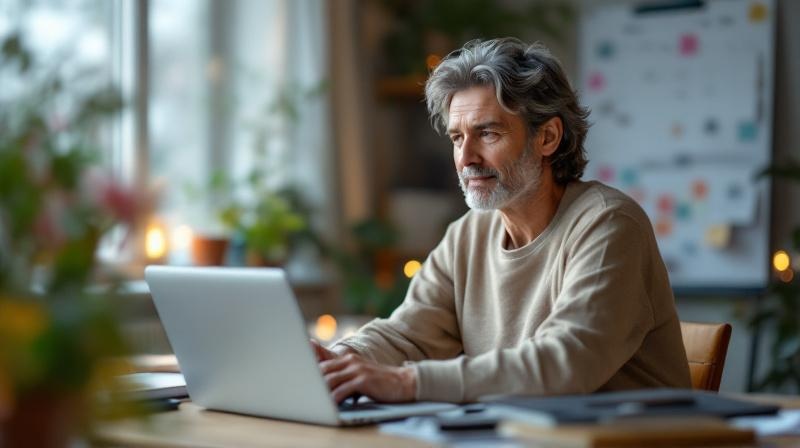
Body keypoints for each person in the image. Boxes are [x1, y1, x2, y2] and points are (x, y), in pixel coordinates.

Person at [312, 37, 691, 404]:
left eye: (487, 133)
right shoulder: (467, 235)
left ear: (548, 137)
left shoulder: (609, 224)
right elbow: (409, 335)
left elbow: (566, 363)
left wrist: (408, 381)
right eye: (457, 137)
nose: (466, 158)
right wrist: (341, 360)